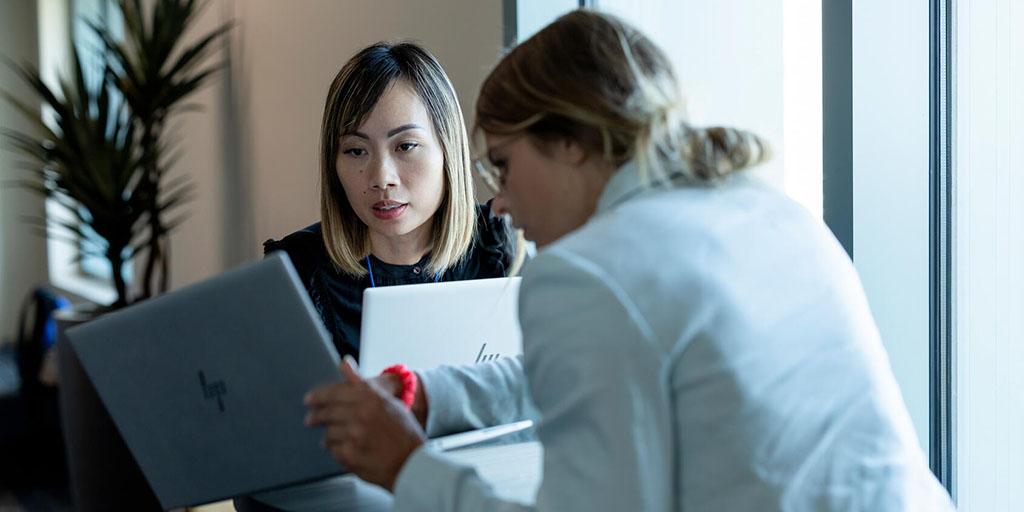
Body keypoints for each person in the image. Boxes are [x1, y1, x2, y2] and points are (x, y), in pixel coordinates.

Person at [303, 10, 955, 512]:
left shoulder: (588, 273)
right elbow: (583, 369)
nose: (497, 201)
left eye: (503, 163)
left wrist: (407, 468)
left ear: (573, 143)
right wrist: (424, 395)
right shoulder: (766, 209)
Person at [263, 42, 519, 361]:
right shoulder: (296, 272)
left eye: (405, 146)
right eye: (356, 151)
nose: (382, 178)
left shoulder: (503, 248)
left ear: (447, 149)